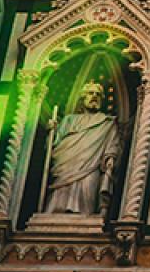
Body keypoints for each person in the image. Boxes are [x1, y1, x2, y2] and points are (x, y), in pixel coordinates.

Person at [42, 80, 119, 215]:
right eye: (90, 93)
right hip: (66, 166)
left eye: (98, 94)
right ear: (82, 98)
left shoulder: (107, 123)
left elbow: (113, 144)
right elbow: (53, 146)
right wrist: (51, 132)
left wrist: (110, 158)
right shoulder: (69, 120)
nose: (94, 96)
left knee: (87, 194)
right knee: (60, 197)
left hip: (91, 167)